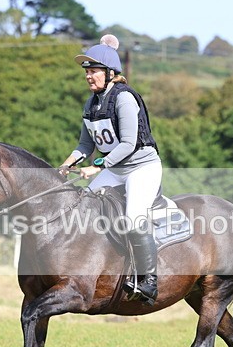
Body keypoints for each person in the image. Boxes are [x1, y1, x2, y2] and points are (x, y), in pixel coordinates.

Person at [59, 34, 162, 305]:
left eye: (93, 71)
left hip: (141, 166)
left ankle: (149, 281)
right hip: (115, 168)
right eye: (86, 72)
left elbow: (128, 143)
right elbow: (85, 144)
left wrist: (97, 166)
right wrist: (69, 162)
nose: (88, 76)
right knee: (82, 207)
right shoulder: (91, 103)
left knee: (133, 217)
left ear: (109, 72)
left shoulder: (124, 98)